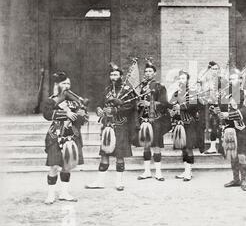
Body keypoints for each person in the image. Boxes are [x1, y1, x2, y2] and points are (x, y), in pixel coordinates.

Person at [85, 63, 136, 191]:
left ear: (121, 76)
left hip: (120, 126)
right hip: (107, 126)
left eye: (116, 74)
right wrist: (99, 110)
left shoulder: (127, 90)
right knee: (104, 154)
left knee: (119, 155)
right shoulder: (107, 90)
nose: (113, 77)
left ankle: (119, 182)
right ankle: (99, 181)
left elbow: (131, 107)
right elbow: (99, 104)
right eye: (111, 74)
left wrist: (114, 110)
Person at [42, 71, 88, 204]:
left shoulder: (75, 100)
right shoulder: (52, 100)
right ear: (58, 84)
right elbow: (47, 114)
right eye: (64, 83)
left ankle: (64, 193)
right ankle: (51, 194)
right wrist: (66, 114)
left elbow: (83, 118)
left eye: (68, 83)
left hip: (72, 136)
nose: (67, 85)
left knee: (67, 165)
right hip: (55, 136)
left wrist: (81, 115)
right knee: (54, 166)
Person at [218, 68, 246, 191]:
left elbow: (245, 112)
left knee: (242, 155)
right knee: (232, 154)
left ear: (241, 80)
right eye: (230, 79)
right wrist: (218, 111)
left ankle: (243, 181)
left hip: (243, 130)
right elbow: (222, 110)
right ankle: (236, 179)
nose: (231, 81)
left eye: (234, 79)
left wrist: (228, 115)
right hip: (230, 129)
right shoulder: (226, 95)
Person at [136, 60, 171, 181]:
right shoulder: (142, 87)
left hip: (155, 120)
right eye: (146, 71)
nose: (147, 73)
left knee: (156, 145)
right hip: (144, 119)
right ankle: (146, 171)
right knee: (146, 145)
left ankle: (158, 172)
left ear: (155, 73)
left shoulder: (159, 86)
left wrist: (149, 103)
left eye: (150, 71)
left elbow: (164, 103)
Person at [169, 70, 201, 181]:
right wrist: (172, 110)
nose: (181, 80)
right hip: (179, 124)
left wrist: (181, 107)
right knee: (183, 147)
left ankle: (188, 172)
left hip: (189, 123)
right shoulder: (176, 93)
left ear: (187, 80)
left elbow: (194, 105)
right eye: (180, 78)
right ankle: (186, 170)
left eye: (183, 78)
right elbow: (171, 104)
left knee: (188, 147)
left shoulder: (192, 92)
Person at [199, 61, 229, 154]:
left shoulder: (222, 80)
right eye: (212, 69)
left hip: (220, 106)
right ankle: (211, 147)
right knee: (212, 125)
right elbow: (203, 92)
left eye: (216, 69)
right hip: (209, 106)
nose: (214, 71)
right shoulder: (206, 81)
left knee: (218, 125)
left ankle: (220, 147)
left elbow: (226, 94)